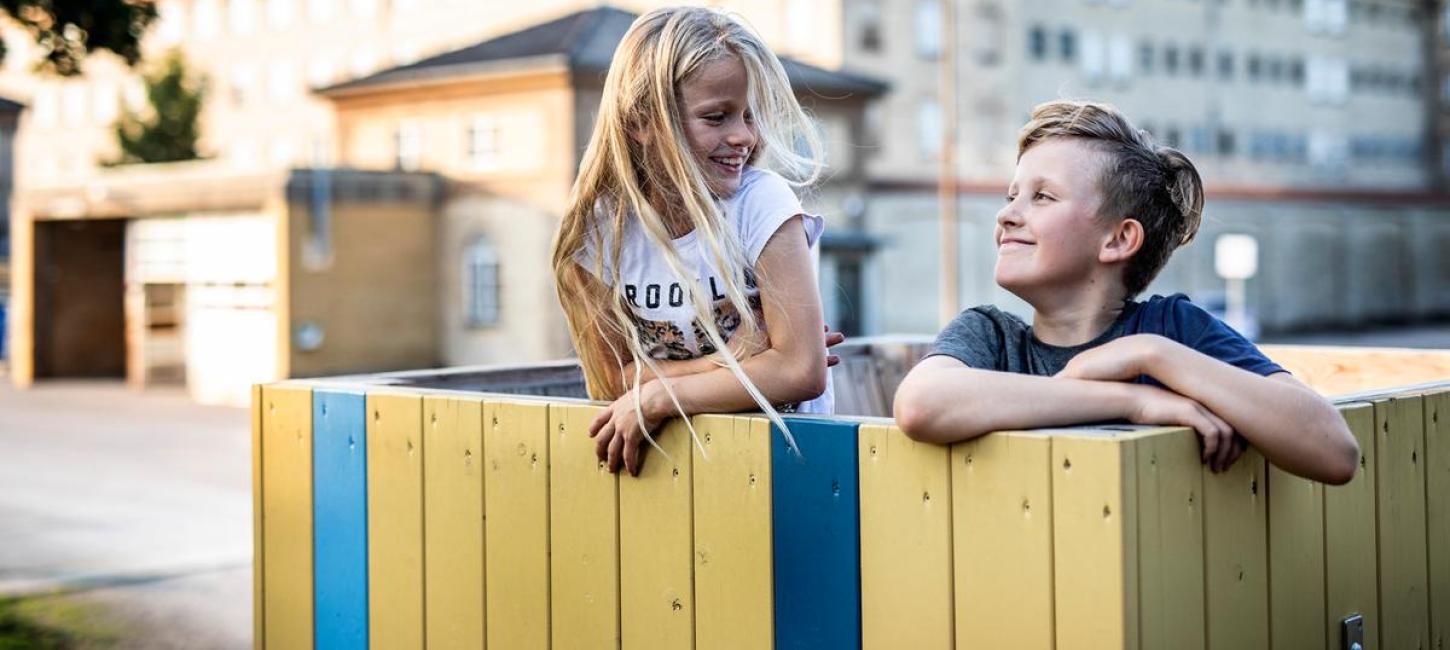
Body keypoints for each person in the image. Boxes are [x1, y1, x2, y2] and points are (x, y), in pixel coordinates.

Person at [893, 100, 1359, 484]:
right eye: (1011, 195)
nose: (1007, 215)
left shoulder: (1172, 331)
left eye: (1042, 197)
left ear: (1117, 240)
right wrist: (1135, 401)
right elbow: (920, 405)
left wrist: (1150, 355)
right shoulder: (989, 336)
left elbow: (1333, 452)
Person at [551, 6, 839, 476]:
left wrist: (660, 393)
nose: (743, 136)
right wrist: (734, 361)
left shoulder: (762, 204)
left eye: (747, 115)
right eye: (716, 117)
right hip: (666, 472)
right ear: (641, 121)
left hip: (786, 466)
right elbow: (611, 380)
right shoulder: (599, 232)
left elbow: (801, 372)